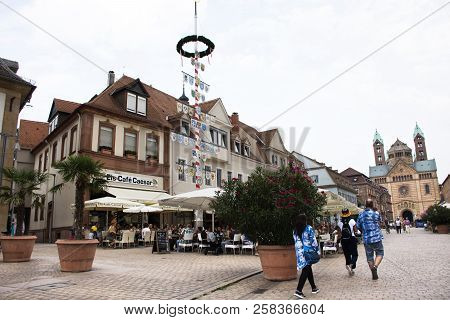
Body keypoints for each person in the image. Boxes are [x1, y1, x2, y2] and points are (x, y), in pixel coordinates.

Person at [293, 214, 320, 299]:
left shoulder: (295, 230)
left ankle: (314, 288)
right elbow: (313, 241)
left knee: (307, 268)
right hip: (308, 252)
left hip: (299, 253)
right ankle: (298, 290)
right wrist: (317, 251)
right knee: (306, 270)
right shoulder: (308, 228)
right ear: (305, 220)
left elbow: (296, 241)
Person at [357, 199, 384, 280]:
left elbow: (358, 226)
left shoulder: (361, 214)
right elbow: (381, 222)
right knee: (380, 253)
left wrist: (364, 231)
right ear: (372, 205)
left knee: (369, 257)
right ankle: (375, 266)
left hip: (366, 239)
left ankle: (373, 270)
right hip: (377, 237)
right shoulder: (376, 213)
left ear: (365, 205)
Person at [338, 209, 359, 276]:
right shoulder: (352, 221)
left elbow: (339, 234)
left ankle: (348, 265)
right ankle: (352, 264)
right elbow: (356, 231)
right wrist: (358, 232)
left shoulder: (339, 223)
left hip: (344, 240)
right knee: (354, 254)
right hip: (352, 239)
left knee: (347, 255)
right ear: (348, 213)